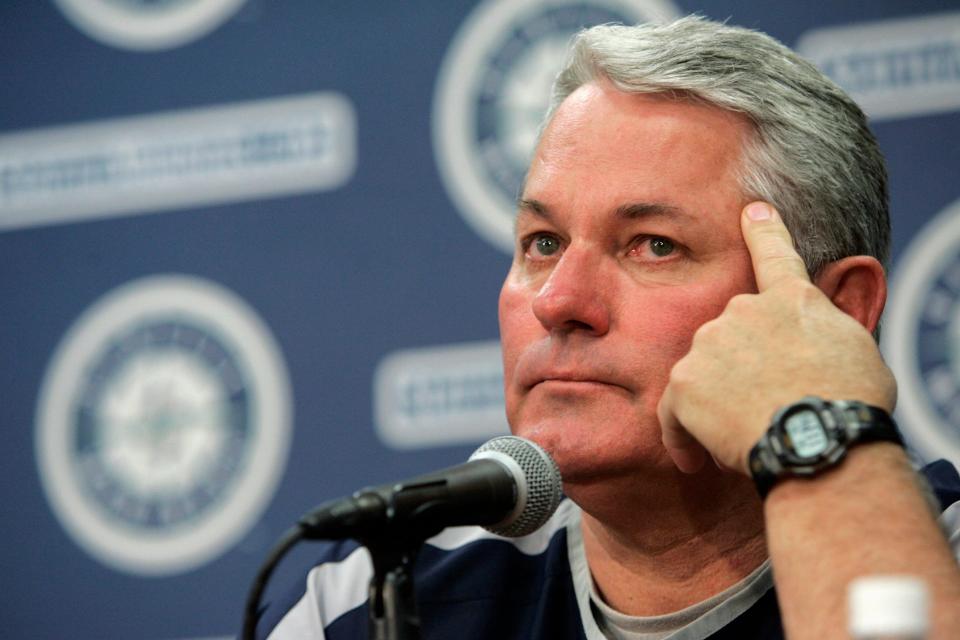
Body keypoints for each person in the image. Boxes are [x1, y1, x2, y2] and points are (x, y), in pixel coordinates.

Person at [258, 16, 960, 640]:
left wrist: (818, 430)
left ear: (836, 310)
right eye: (542, 242)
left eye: (653, 244)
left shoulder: (943, 564)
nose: (559, 300)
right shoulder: (367, 600)